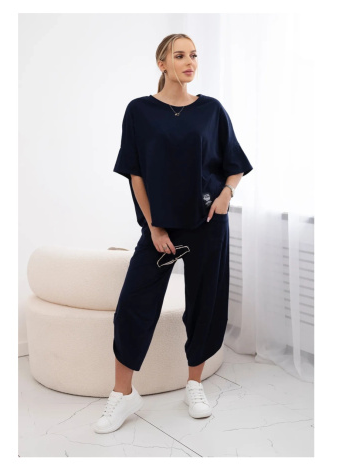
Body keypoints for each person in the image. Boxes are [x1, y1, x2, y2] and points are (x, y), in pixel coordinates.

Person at [93, 34, 253, 434]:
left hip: (208, 223)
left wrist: (226, 194)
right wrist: (154, 227)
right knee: (134, 304)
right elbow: (136, 174)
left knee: (204, 303)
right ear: (162, 63)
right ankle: (122, 394)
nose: (189, 62)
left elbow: (234, 165)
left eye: (193, 55)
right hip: (161, 227)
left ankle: (194, 385)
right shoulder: (140, 111)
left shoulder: (211, 110)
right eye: (179, 55)